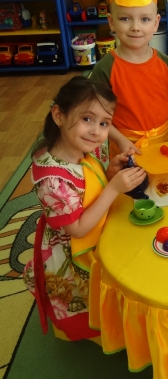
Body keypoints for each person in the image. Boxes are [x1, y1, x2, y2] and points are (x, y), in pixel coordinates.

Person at [23, 76, 147, 340]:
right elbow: (78, 228)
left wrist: (110, 174)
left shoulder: (81, 148)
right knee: (86, 298)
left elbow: (90, 185)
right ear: (58, 115)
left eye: (104, 123)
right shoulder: (52, 180)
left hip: (96, 231)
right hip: (74, 250)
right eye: (87, 119)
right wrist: (114, 188)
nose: (96, 131)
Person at [90, 0, 168, 158]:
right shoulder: (105, 69)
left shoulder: (166, 65)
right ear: (111, 22)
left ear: (156, 23)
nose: (135, 27)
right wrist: (121, 141)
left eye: (145, 19)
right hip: (124, 146)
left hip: (163, 143)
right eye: (125, 19)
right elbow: (98, 115)